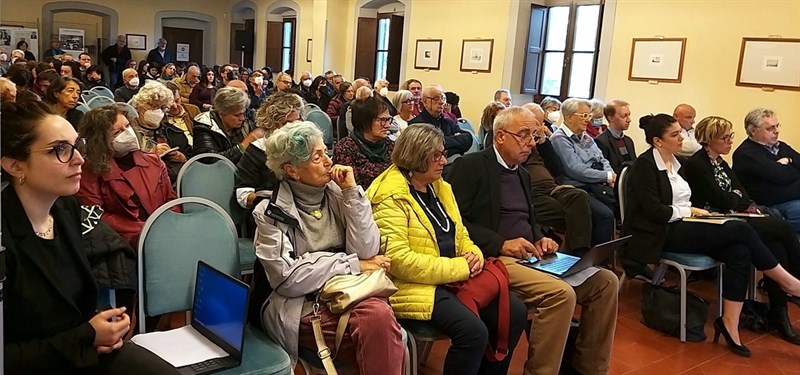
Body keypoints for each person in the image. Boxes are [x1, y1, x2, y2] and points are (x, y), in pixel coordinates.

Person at [1, 100, 178, 374]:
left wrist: (101, 323)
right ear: (15, 166)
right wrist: (87, 335)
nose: (79, 159)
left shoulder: (65, 207)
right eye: (59, 149)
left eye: (76, 145)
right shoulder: (6, 233)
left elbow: (70, 302)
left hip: (82, 348)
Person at [447, 107, 619, 374]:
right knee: (560, 294)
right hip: (495, 258)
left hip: (531, 255)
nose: (530, 142)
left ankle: (590, 368)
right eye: (523, 135)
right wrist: (501, 243)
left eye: (534, 135)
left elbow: (529, 220)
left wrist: (541, 239)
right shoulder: (472, 166)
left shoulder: (522, 173)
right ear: (500, 136)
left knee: (606, 282)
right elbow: (455, 222)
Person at [621, 113, 800, 357]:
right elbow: (655, 211)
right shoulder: (645, 165)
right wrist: (690, 210)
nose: (682, 137)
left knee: (740, 250)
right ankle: (789, 282)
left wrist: (696, 212)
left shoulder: (676, 163)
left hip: (684, 222)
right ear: (657, 141)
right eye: (675, 135)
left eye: (680, 133)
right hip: (661, 232)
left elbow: (711, 196)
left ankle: (729, 324)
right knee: (740, 228)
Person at [367, 124, 527, 375]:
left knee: (515, 313)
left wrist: (474, 253)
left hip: (451, 276)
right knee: (473, 331)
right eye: (437, 156)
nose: (444, 160)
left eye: (443, 153)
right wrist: (460, 267)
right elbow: (398, 261)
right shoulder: (390, 196)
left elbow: (459, 232)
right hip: (412, 285)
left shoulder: (440, 186)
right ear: (417, 157)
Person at [252, 121, 405, 373]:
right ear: (292, 171)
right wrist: (352, 264)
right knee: (379, 326)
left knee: (377, 323)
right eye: (316, 157)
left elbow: (367, 250)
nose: (328, 161)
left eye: (326, 152)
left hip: (351, 293)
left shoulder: (338, 194)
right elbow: (288, 279)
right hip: (303, 305)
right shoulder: (269, 213)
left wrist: (352, 194)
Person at [682, 115, 800, 345]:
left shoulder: (720, 162)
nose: (730, 142)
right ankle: (793, 282)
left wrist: (734, 198)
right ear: (709, 140)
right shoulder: (698, 164)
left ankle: (780, 312)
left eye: (730, 136)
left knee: (776, 244)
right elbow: (721, 199)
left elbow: (742, 194)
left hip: (734, 215)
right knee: (782, 228)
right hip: (715, 220)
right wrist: (734, 198)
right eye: (724, 138)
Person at [77, 104, 177, 248]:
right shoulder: (90, 171)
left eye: (127, 126)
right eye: (117, 132)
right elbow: (96, 216)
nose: (127, 133)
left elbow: (171, 200)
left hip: (166, 231)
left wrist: (172, 225)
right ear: (100, 140)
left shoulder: (153, 161)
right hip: (125, 241)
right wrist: (144, 229)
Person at [733, 108, 800, 235]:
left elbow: (783, 173)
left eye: (777, 126)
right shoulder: (746, 153)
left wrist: (789, 161)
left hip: (792, 198)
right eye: (770, 128)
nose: (777, 131)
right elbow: (780, 176)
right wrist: (792, 170)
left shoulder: (782, 147)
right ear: (753, 131)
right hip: (773, 204)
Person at [550, 98, 617, 223]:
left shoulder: (585, 137)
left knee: (626, 205)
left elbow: (602, 159)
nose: (588, 119)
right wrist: (607, 176)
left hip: (596, 183)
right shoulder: (560, 139)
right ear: (569, 117)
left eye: (589, 115)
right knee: (605, 215)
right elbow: (575, 170)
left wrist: (611, 176)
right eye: (584, 115)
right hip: (578, 187)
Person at [235, 92, 303, 209]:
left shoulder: (304, 145)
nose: (294, 127)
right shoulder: (256, 151)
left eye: (298, 121)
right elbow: (243, 196)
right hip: (270, 210)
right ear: (272, 124)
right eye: (288, 123)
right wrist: (271, 198)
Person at [131, 81, 191, 182]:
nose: (158, 111)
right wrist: (150, 155)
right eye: (153, 106)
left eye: (162, 108)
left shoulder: (174, 132)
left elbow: (191, 156)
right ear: (140, 105)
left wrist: (183, 158)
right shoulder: (129, 133)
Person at [333, 95, 394, 188]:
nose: (387, 125)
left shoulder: (392, 146)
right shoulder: (345, 148)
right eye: (382, 120)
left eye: (389, 119)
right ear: (364, 121)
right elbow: (350, 188)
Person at [193, 86, 262, 164]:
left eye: (243, 113)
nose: (242, 118)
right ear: (222, 113)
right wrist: (244, 145)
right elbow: (210, 161)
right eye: (236, 115)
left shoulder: (246, 124)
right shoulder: (204, 127)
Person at [408, 86, 473, 158]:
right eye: (436, 99)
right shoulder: (416, 124)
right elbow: (427, 150)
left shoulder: (448, 121)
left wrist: (443, 145)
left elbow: (467, 139)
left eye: (443, 98)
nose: (441, 102)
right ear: (425, 102)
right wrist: (455, 142)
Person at [595, 99, 637, 174]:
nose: (629, 120)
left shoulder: (628, 141)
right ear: (611, 118)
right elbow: (604, 170)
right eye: (624, 116)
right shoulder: (601, 141)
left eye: (629, 115)